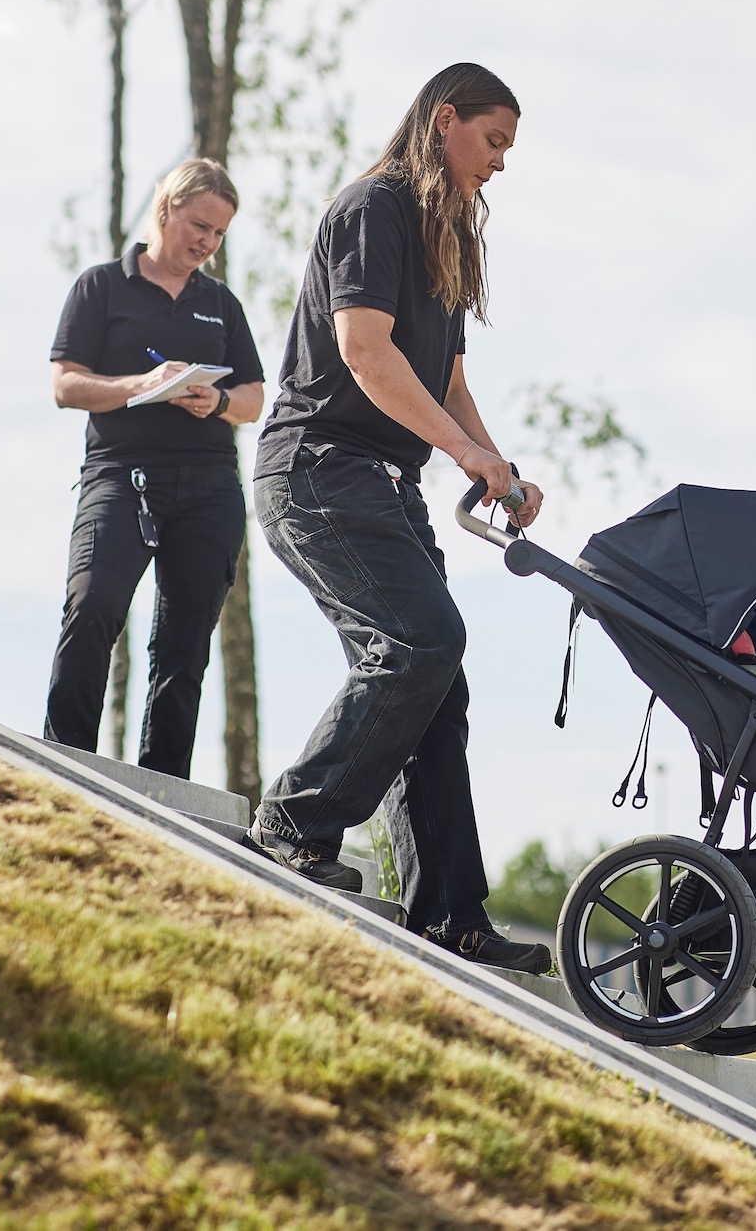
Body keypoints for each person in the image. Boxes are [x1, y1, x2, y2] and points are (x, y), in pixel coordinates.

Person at [250, 63, 549, 973]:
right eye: (492, 141)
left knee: (438, 684)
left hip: (388, 482)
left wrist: (499, 467)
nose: (499, 164)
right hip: (318, 468)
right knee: (419, 643)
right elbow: (365, 352)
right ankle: (294, 819)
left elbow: (450, 383)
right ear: (445, 119)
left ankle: (450, 912)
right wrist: (466, 456)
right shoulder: (373, 208)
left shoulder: (446, 236)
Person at [42, 157, 265, 779]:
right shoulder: (100, 287)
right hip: (120, 476)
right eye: (198, 225)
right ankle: (64, 766)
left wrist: (216, 401)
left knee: (183, 648)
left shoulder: (220, 305)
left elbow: (254, 397)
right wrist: (142, 384)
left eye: (219, 234)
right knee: (93, 607)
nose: (206, 242)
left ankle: (162, 788)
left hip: (209, 489)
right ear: (165, 210)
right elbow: (64, 385)